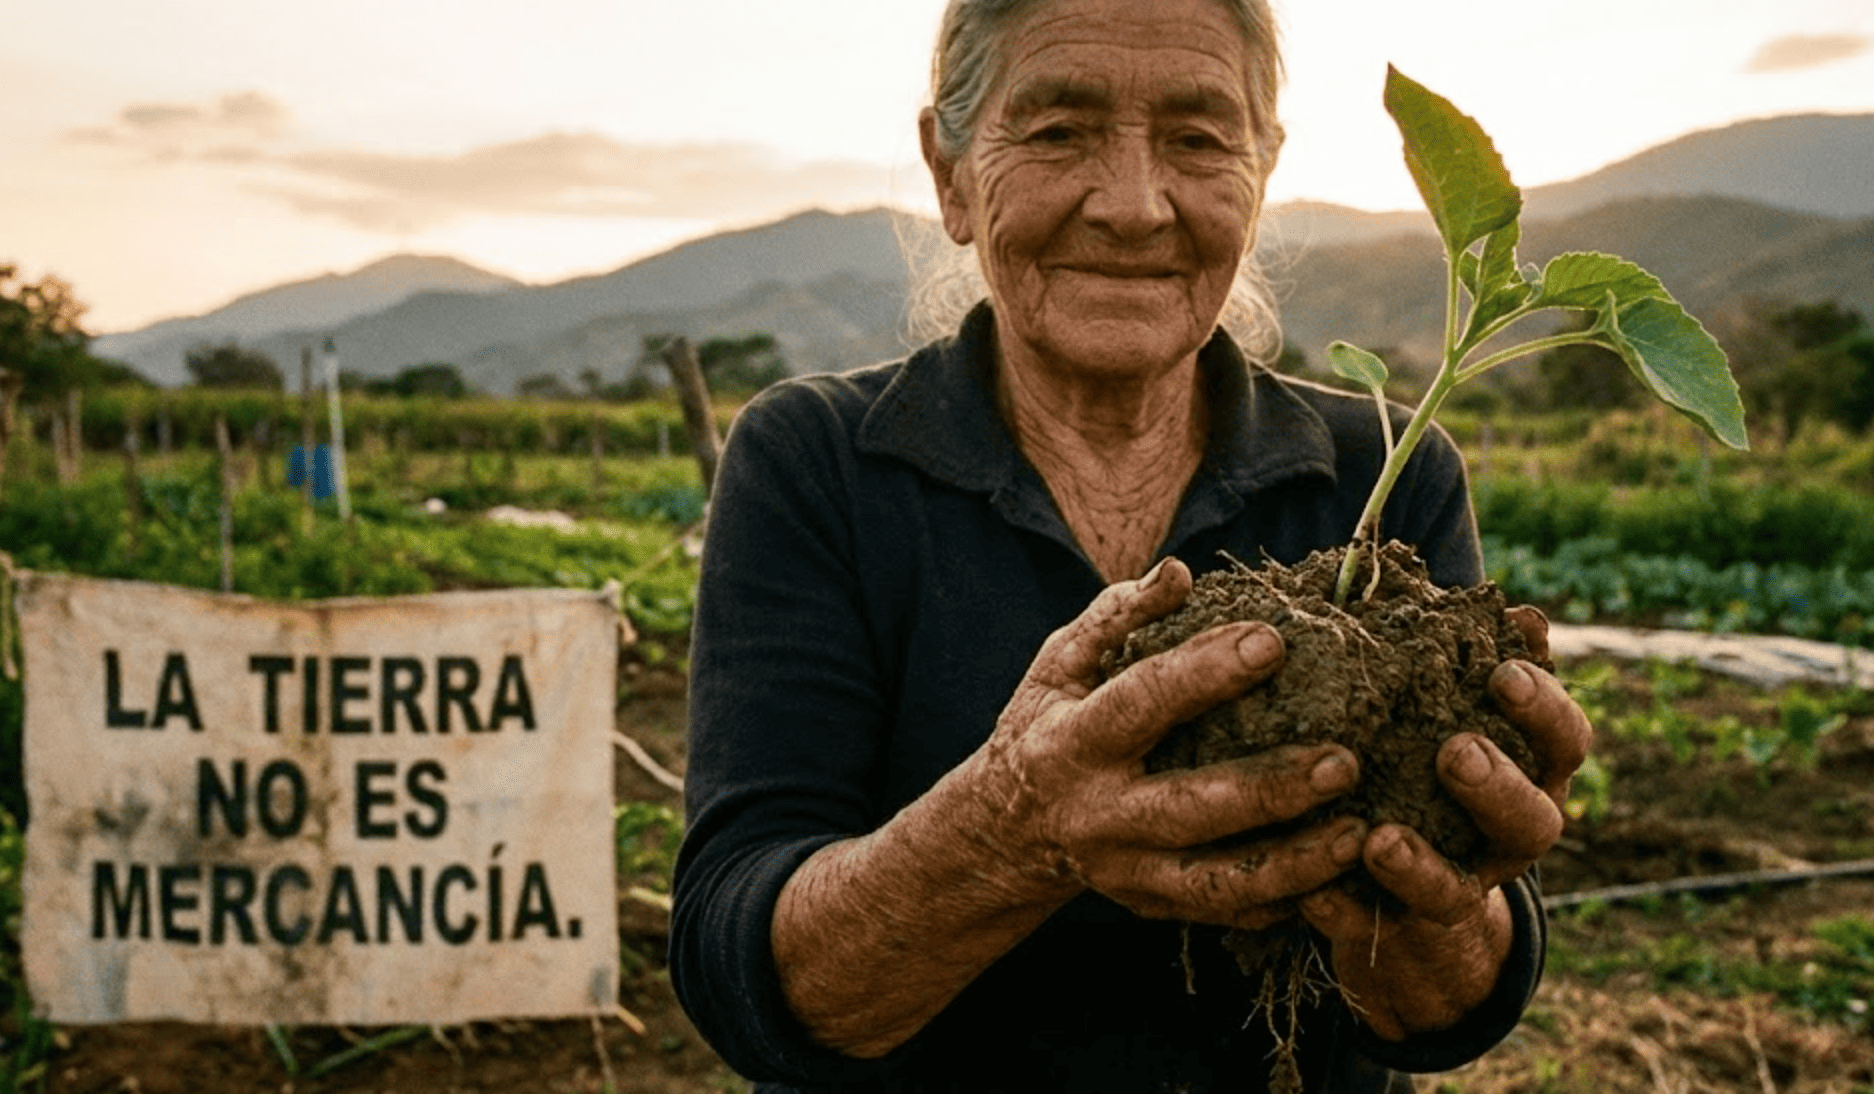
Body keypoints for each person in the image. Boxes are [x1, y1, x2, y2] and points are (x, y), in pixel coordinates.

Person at [669, 0, 1592, 1089]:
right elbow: (746, 971)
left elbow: (1442, 1007)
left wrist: (1446, 888)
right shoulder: (817, 458)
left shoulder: (1380, 475)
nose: (1132, 206)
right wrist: (1010, 823)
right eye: (1057, 131)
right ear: (951, 174)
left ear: (1260, 172)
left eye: (1198, 140)